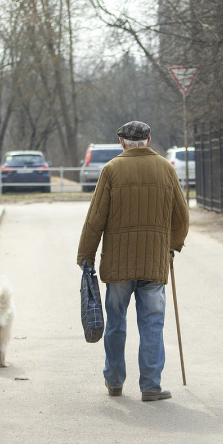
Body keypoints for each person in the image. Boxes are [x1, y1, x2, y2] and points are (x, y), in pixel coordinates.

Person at [77, 121, 190, 401]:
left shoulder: (111, 170)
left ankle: (114, 381)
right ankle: (151, 386)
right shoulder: (166, 168)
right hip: (154, 262)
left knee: (116, 322)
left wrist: (86, 256)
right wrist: (172, 247)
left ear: (122, 142)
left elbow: (95, 219)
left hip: (118, 265)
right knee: (152, 323)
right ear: (148, 140)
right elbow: (182, 217)